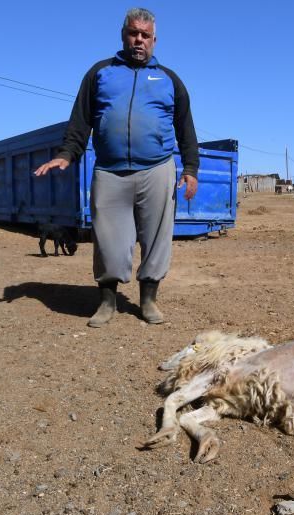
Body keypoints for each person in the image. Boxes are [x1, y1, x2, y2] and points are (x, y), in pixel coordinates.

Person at [35, 7, 199, 327]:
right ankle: (107, 303)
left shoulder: (169, 80)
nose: (139, 40)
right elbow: (81, 120)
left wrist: (190, 169)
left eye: (145, 35)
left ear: (154, 40)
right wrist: (67, 154)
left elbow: (186, 128)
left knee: (156, 238)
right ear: (123, 35)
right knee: (108, 240)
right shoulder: (100, 73)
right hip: (109, 170)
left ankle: (149, 301)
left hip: (157, 169)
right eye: (133, 33)